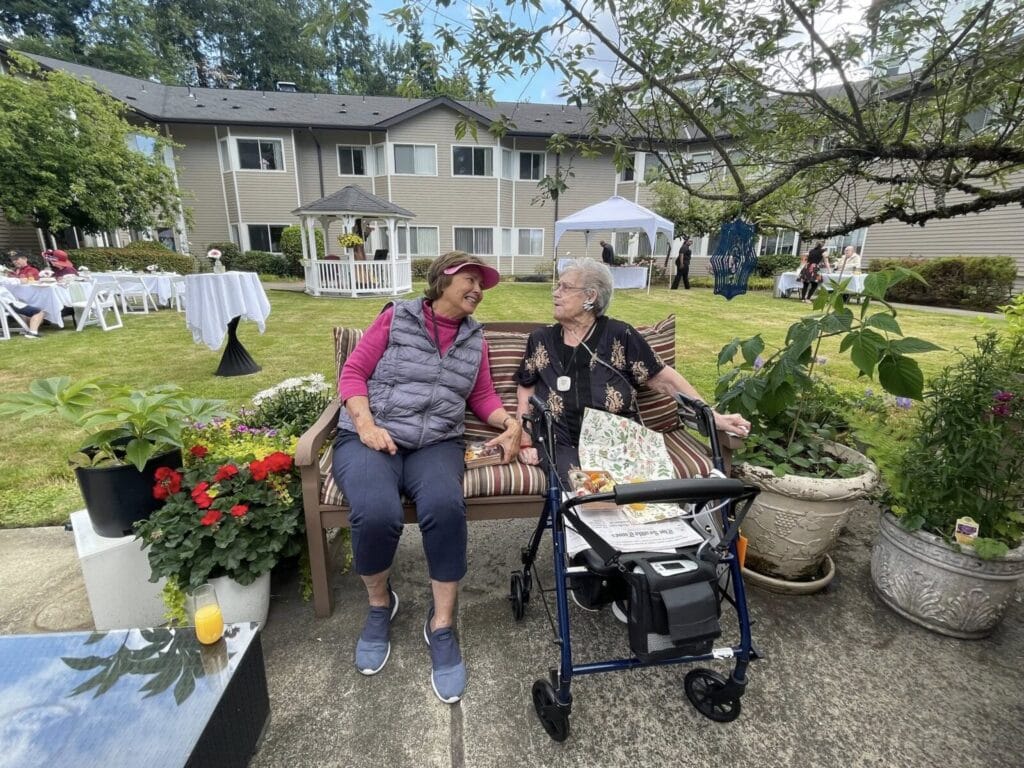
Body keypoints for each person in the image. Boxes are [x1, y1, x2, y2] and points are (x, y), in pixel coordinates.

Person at [331, 250, 522, 703]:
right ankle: (381, 606)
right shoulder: (396, 319)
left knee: (444, 506)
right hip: (370, 436)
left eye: (482, 283)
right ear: (442, 281)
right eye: (469, 280)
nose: (478, 289)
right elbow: (353, 373)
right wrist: (366, 425)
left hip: (436, 443)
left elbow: (482, 395)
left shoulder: (476, 339)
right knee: (376, 512)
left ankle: (441, 625)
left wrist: (509, 423)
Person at [514, 258, 750, 483]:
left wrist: (712, 416)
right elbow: (526, 386)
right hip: (559, 441)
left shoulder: (620, 335)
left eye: (565, 287)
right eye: (557, 286)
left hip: (618, 441)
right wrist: (524, 437)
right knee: (585, 494)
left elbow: (664, 379)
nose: (555, 293)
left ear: (590, 296)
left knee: (639, 500)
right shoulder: (541, 340)